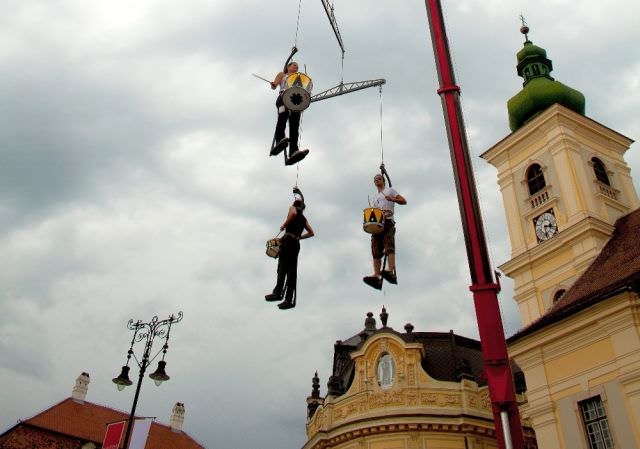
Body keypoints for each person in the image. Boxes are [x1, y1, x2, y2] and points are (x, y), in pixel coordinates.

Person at [265, 197, 314, 309]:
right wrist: (298, 237)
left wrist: (284, 225)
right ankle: (289, 300)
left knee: (282, 268)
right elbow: (311, 233)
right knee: (292, 272)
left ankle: (278, 293)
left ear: (295, 205)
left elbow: (292, 214)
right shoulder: (303, 218)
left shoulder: (292, 208)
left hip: (288, 243)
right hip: (295, 244)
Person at [363, 173, 407, 289]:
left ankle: (390, 270)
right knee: (375, 248)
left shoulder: (390, 191)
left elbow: (404, 201)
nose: (377, 180)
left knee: (389, 245)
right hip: (378, 223)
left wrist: (392, 199)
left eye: (379, 179)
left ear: (383, 180)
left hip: (388, 222)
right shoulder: (375, 197)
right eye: (375, 180)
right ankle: (377, 275)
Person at [270, 61, 309, 165]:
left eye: (297, 66)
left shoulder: (299, 77)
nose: (296, 67)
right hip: (283, 97)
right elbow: (275, 85)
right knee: (282, 117)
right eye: (294, 65)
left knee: (294, 125)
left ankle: (293, 151)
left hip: (295, 101)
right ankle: (279, 140)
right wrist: (274, 84)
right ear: (288, 66)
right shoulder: (282, 75)